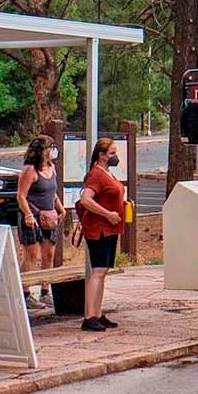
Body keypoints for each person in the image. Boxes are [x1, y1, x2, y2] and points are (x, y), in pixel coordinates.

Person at [76, 137, 126, 332]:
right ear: (102, 155)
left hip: (112, 228)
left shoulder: (108, 174)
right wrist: (107, 214)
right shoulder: (96, 175)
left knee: (103, 271)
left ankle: (97, 312)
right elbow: (86, 199)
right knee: (97, 271)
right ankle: (89, 316)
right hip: (99, 229)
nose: (115, 156)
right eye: (112, 153)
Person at [16, 134, 64, 308]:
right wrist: (28, 215)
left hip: (49, 215)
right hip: (33, 216)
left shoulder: (51, 167)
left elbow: (52, 192)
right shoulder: (30, 170)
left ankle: (45, 290)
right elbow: (21, 195)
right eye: (51, 147)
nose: (53, 151)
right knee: (32, 255)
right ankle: (26, 292)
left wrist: (60, 208)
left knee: (49, 254)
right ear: (43, 150)